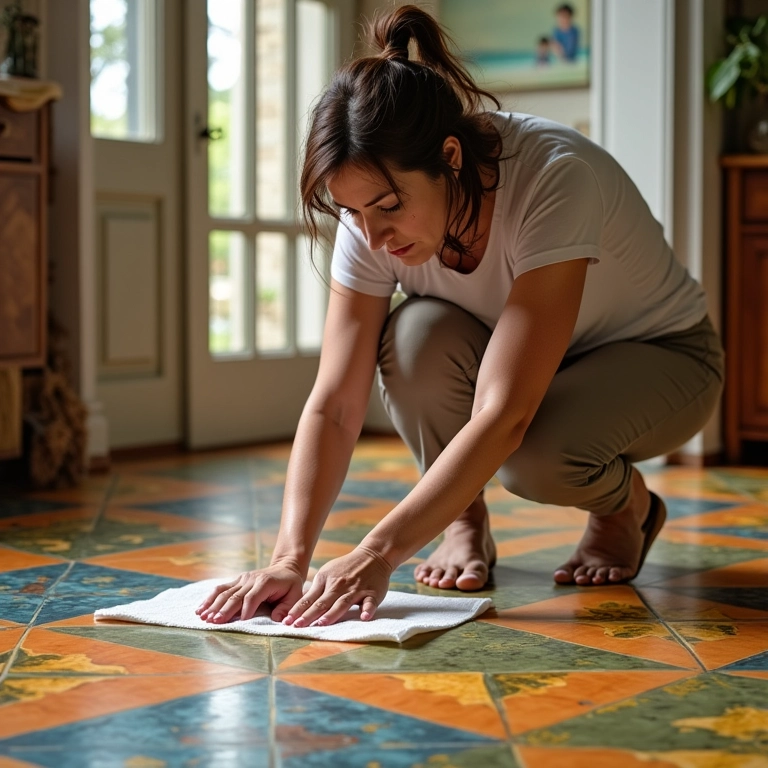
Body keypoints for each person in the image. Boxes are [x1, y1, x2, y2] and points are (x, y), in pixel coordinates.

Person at [196, 5, 724, 629]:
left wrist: (377, 553)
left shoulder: (553, 178)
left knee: (536, 457)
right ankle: (463, 524)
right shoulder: (368, 220)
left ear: (450, 158)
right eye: (353, 213)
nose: (371, 235)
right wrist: (289, 558)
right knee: (414, 336)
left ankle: (626, 506)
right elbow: (335, 403)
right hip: (529, 365)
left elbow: (505, 414)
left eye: (388, 207)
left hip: (662, 357)